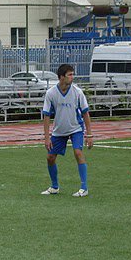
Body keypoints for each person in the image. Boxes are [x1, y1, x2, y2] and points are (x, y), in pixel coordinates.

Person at [41, 64, 93, 197]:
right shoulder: (51, 93)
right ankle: (54, 187)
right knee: (50, 157)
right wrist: (47, 138)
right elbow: (46, 115)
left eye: (72, 74)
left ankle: (84, 188)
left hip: (76, 128)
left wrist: (89, 134)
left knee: (78, 152)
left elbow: (85, 113)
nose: (72, 77)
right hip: (59, 130)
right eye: (69, 75)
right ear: (61, 77)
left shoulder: (77, 92)